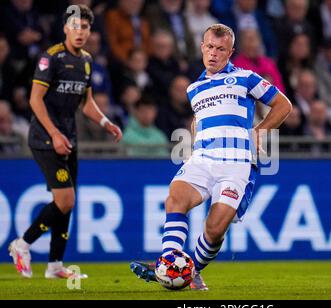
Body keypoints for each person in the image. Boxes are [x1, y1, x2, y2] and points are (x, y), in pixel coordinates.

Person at [130, 23, 292, 290]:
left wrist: (260, 131)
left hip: (237, 163)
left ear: (231, 52)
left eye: (221, 49)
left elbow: (283, 105)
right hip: (203, 158)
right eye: (210, 47)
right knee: (175, 197)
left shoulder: (246, 77)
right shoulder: (194, 89)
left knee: (215, 229)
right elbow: (198, 120)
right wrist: (194, 144)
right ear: (202, 47)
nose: (214, 53)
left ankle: (190, 268)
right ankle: (168, 263)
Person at [8, 5, 122, 279]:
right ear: (65, 29)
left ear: (90, 30)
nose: (79, 32)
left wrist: (106, 123)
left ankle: (55, 265)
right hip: (45, 138)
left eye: (84, 27)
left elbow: (87, 102)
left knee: (66, 201)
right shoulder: (52, 58)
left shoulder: (86, 60)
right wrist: (55, 134)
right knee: (66, 198)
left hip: (68, 138)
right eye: (74, 26)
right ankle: (22, 244)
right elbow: (35, 99)